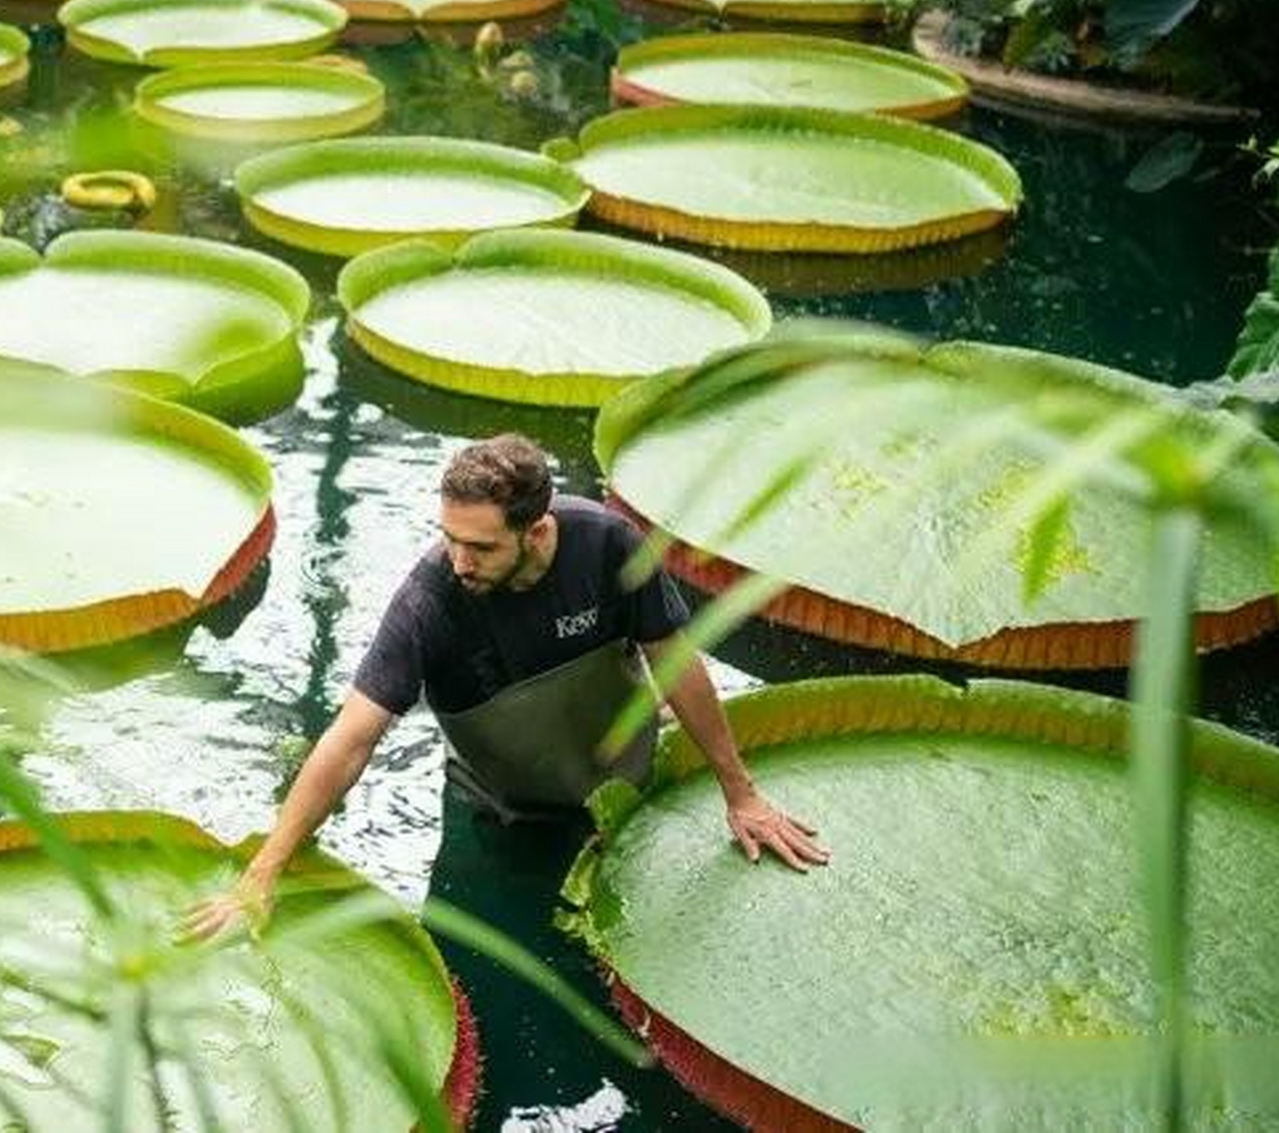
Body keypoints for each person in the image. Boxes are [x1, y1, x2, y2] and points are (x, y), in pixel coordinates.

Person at [187, 433, 828, 1121]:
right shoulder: (428, 604)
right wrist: (262, 873)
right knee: (478, 995)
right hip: (499, 817)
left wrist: (740, 792)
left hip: (624, 794)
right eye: (449, 539)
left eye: (481, 547)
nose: (458, 561)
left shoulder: (608, 546)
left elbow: (676, 666)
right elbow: (350, 741)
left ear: (538, 529)